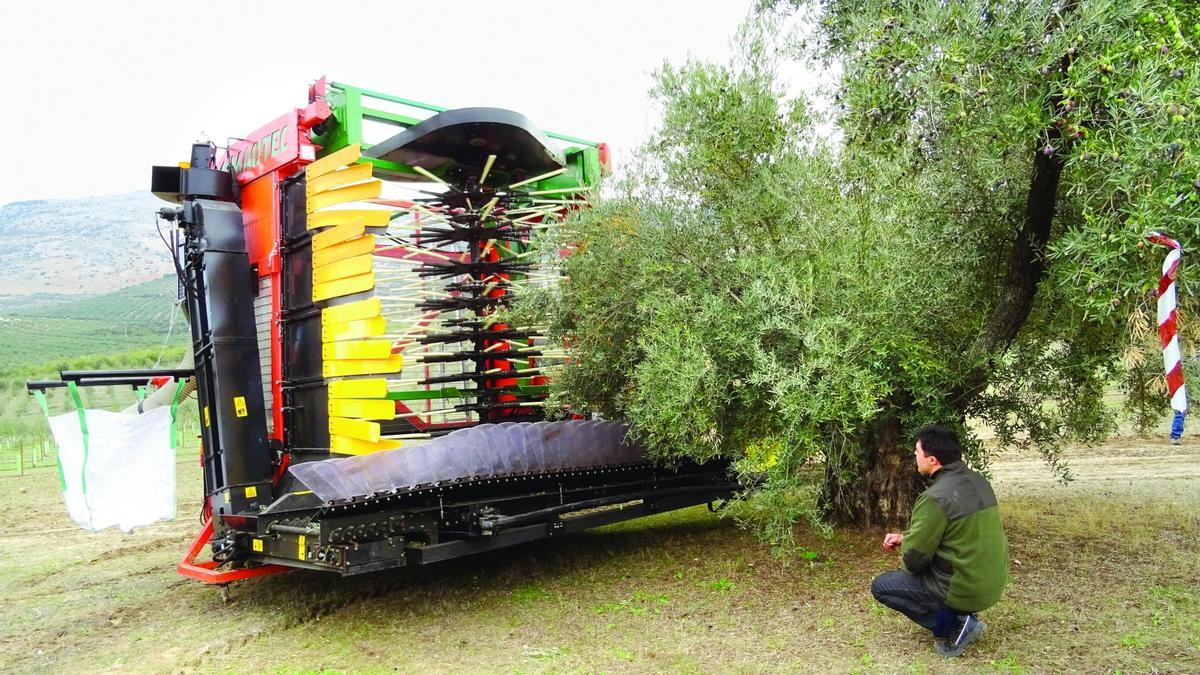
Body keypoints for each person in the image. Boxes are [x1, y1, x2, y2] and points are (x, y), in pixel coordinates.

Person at [870, 425, 1009, 658]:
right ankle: (961, 616)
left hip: (965, 588)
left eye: (917, 451)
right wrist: (907, 537)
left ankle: (955, 625)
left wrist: (910, 548)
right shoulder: (978, 481)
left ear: (932, 459)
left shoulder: (935, 497)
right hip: (993, 583)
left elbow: (914, 560)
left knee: (882, 586)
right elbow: (960, 531)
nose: (914, 455)